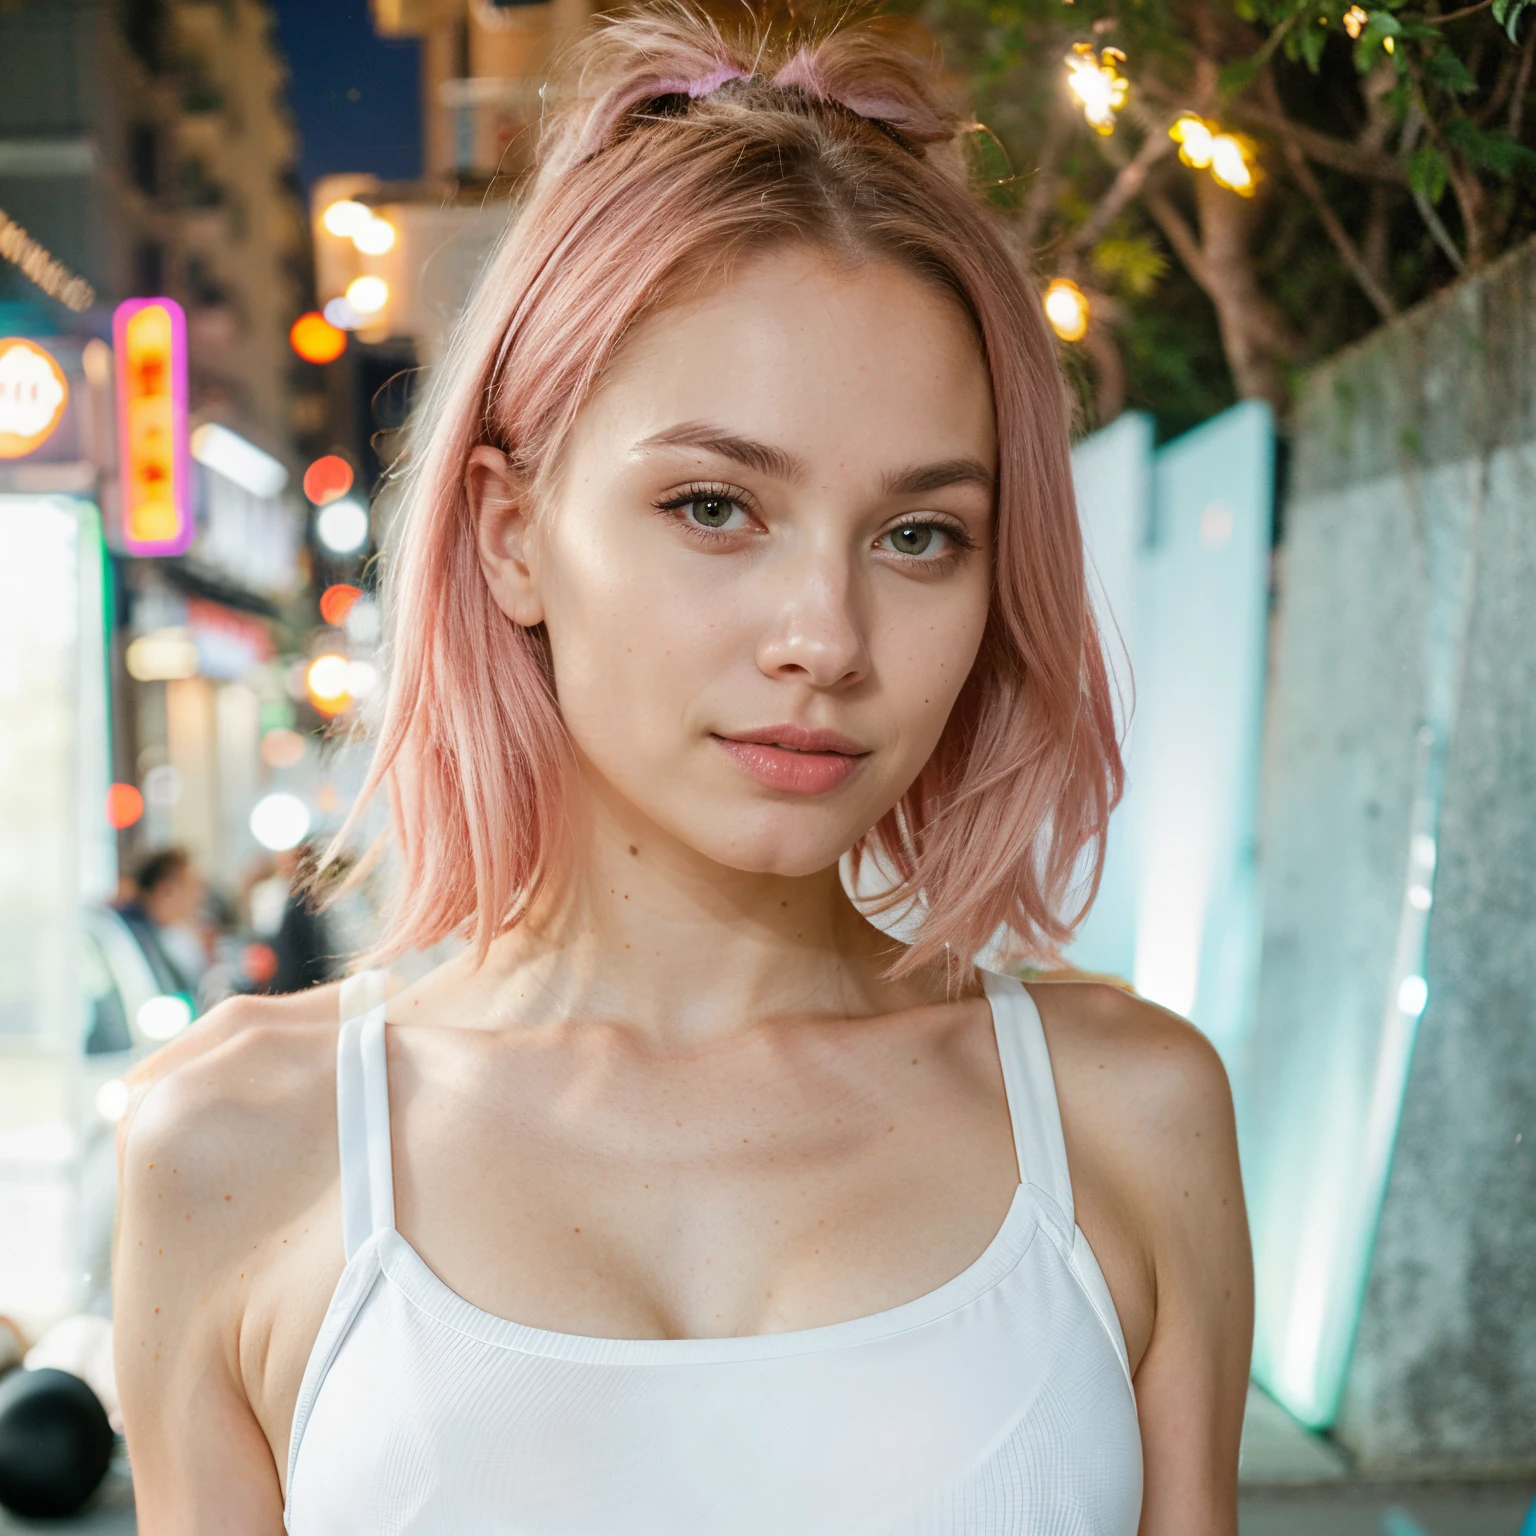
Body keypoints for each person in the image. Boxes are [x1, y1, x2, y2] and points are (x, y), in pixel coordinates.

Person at [113, 10, 1252, 1533]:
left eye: (920, 535)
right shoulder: (241, 1144)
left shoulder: (1132, 1114)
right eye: (717, 507)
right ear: (513, 533)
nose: (824, 637)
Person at [112, 846, 206, 998]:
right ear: (167, 890)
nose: (200, 897)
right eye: (194, 887)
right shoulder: (132, 937)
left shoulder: (157, 932)